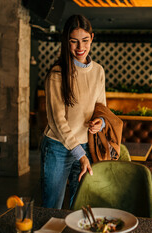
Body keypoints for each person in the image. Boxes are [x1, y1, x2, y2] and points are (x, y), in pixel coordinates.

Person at [40, 15, 106, 209]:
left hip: (86, 146)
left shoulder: (98, 71)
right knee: (53, 207)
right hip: (58, 147)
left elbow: (102, 108)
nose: (80, 47)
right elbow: (57, 121)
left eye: (85, 40)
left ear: (92, 38)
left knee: (80, 207)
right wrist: (80, 155)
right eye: (74, 41)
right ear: (66, 42)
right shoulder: (57, 74)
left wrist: (99, 122)